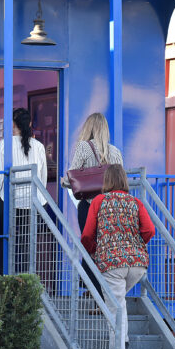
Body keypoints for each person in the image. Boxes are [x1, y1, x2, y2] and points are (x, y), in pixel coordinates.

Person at [81, 164, 155, 349]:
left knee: (114, 308)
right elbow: (149, 230)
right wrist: (136, 244)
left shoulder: (99, 202)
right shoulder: (135, 202)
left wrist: (94, 250)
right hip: (137, 264)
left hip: (112, 263)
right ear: (124, 180)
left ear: (106, 181)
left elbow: (87, 235)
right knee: (119, 302)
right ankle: (126, 340)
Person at [62, 112, 123, 295]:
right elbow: (121, 180)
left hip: (89, 206)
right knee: (108, 248)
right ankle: (106, 290)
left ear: (89, 127)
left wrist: (63, 182)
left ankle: (95, 289)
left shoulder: (83, 147)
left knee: (91, 247)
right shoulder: (115, 152)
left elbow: (72, 176)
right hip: (111, 207)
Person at [0, 107, 48, 273]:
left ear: (13, 124)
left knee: (1, 243)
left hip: (8, 203)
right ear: (30, 124)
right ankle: (25, 284)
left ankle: (1, 280)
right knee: (28, 247)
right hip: (32, 204)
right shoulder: (39, 147)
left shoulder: (5, 144)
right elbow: (43, 180)